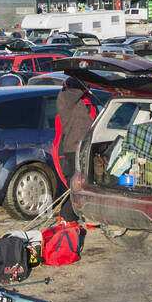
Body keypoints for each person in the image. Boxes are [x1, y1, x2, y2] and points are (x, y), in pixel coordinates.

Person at [50, 77, 97, 222]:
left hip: (72, 148)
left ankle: (74, 217)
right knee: (75, 187)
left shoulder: (69, 101)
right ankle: (66, 218)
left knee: (75, 186)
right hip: (75, 149)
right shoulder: (76, 101)